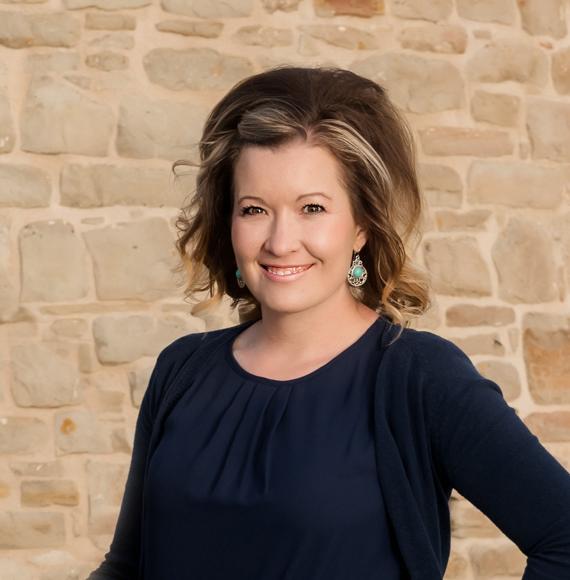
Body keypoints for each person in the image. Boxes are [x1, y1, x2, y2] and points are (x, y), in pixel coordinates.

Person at [88, 65, 570, 579]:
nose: (279, 241)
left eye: (311, 208)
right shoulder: (182, 371)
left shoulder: (420, 378)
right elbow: (126, 567)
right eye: (254, 210)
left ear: (361, 225)